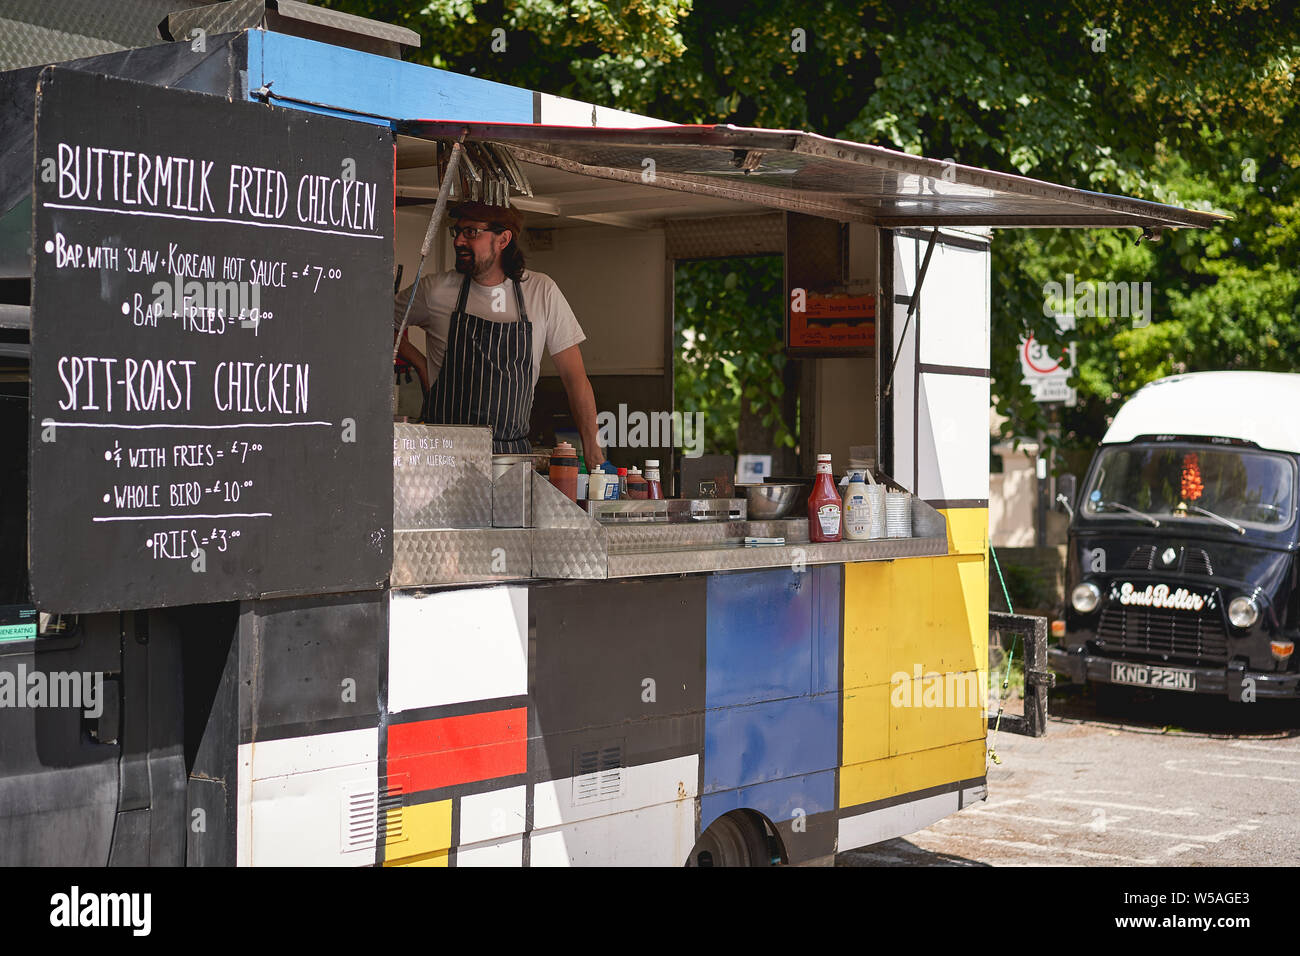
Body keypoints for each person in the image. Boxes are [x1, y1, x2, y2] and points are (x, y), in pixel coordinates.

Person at [393, 202, 604, 466]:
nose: (458, 241)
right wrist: (420, 364)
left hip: (510, 461)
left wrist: (595, 455)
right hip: (443, 460)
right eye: (457, 232)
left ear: (503, 239)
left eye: (471, 232)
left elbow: (575, 379)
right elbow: (378, 324)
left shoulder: (541, 292)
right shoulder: (435, 291)